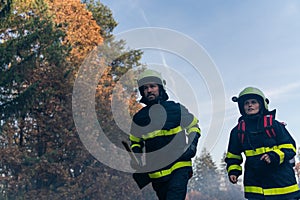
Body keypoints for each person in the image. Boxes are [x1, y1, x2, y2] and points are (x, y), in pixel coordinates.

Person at [128, 69, 201, 200]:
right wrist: (136, 157)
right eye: (145, 88)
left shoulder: (175, 109)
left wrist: (192, 145)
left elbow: (193, 126)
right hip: (156, 174)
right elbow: (135, 141)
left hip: (179, 167)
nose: (149, 90)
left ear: (160, 88)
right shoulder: (139, 118)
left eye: (152, 86)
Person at [225, 86, 300, 200]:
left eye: (253, 102)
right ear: (242, 107)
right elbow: (233, 155)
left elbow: (290, 147)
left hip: (283, 186)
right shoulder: (238, 131)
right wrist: (233, 171)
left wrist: (273, 156)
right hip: (255, 188)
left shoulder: (274, 125)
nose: (250, 105)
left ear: (261, 104)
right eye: (246, 103)